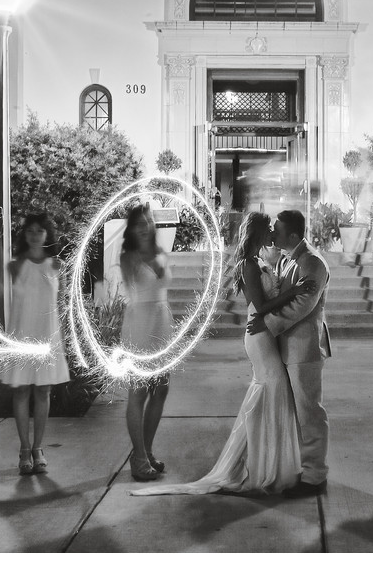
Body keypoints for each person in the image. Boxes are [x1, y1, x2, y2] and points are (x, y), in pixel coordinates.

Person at [131, 212, 312, 496]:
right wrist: (294, 292)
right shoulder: (247, 265)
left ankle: (270, 463)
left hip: (265, 333)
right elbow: (261, 306)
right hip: (260, 335)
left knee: (274, 392)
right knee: (273, 387)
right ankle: (263, 466)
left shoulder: (259, 261)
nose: (272, 233)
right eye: (268, 228)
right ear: (257, 232)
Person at [247, 209, 331, 498]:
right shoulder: (285, 259)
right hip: (285, 346)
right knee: (295, 412)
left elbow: (303, 305)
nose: (273, 233)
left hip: (303, 347)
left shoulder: (312, 262)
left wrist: (267, 324)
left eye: (278, 229)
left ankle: (315, 476)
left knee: (309, 412)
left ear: (293, 234)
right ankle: (301, 468)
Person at [0, 212, 70, 476]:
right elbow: (1, 299)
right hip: (22, 335)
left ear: (47, 234)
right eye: (30, 231)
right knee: (22, 391)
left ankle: (38, 448)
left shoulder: (57, 265)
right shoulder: (15, 266)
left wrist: (62, 339)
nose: (35, 235)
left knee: (43, 391)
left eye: (40, 231)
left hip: (47, 334)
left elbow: (61, 303)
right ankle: (24, 449)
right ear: (24, 235)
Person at [119, 204, 176, 481]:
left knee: (161, 389)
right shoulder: (128, 257)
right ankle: (139, 457)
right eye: (139, 223)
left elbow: (162, 287)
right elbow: (134, 285)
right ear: (131, 228)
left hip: (161, 322)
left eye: (148, 222)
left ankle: (147, 450)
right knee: (139, 391)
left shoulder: (161, 252)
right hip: (140, 324)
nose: (145, 227)